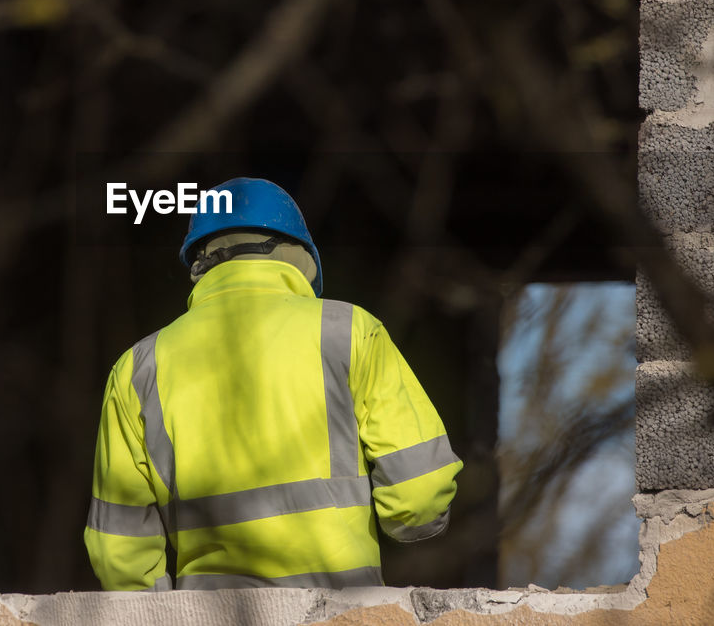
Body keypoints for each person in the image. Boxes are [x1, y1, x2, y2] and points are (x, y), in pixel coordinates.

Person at [84, 177, 462, 590]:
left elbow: (120, 554)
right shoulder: (350, 331)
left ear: (200, 264)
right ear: (297, 254)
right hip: (342, 614)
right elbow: (419, 496)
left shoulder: (138, 369)